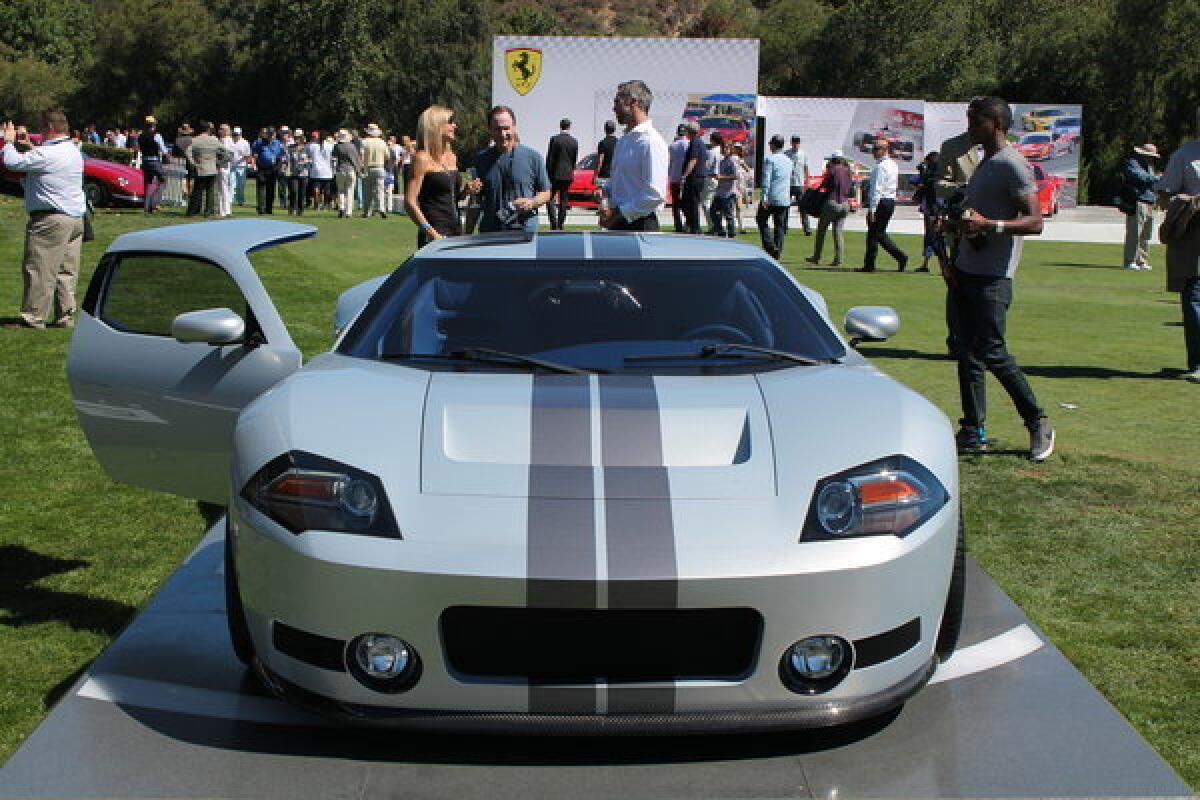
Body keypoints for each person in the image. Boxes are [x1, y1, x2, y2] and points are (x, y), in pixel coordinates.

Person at [950, 96, 1054, 461]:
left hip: (993, 277)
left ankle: (1037, 421)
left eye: (973, 119)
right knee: (965, 351)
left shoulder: (1014, 165)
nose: (969, 125)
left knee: (993, 351)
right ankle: (972, 429)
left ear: (994, 124)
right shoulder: (984, 162)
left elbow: (1036, 221)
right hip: (966, 270)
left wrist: (988, 225)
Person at [2, 112, 86, 329]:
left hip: (51, 219)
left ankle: (33, 317)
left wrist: (8, 141)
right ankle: (64, 316)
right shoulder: (73, 150)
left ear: (49, 127)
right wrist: (30, 147)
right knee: (66, 272)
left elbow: (12, 163)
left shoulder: (49, 154)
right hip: (75, 219)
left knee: (40, 268)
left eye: (41, 127)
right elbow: (46, 160)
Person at [1155, 107, 1200, 384]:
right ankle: (1197, 363)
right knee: (1194, 298)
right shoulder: (1184, 155)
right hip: (1193, 238)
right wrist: (1189, 202)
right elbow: (1163, 195)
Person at [935, 130, 984, 358]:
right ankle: (957, 340)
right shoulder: (953, 146)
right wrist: (962, 190)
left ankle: (984, 341)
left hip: (994, 226)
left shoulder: (1005, 148)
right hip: (961, 226)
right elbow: (939, 184)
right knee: (958, 284)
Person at [599, 80, 668, 231]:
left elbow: (654, 195)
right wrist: (605, 193)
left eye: (617, 102)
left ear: (633, 102)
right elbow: (618, 181)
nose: (614, 108)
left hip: (639, 225)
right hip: (620, 221)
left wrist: (617, 215)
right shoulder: (624, 140)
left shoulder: (651, 142)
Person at [468, 106, 550, 233]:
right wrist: (467, 233)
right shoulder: (481, 159)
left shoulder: (533, 157)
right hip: (490, 232)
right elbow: (475, 201)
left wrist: (531, 202)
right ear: (490, 130)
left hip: (524, 232)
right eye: (497, 129)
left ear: (514, 127)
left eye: (506, 128)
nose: (503, 134)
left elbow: (546, 193)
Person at [406, 105, 464, 246]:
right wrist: (430, 232)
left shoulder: (452, 157)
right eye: (450, 122)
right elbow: (410, 202)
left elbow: (450, 197)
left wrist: (467, 190)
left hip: (456, 232)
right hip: (434, 235)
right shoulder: (422, 158)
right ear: (436, 125)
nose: (454, 125)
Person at [859, 139, 908, 272]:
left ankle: (900, 257)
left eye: (876, 149)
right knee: (875, 233)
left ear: (885, 150)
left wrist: (872, 209)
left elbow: (877, 189)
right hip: (889, 201)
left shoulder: (880, 167)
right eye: (873, 148)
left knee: (877, 233)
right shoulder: (893, 164)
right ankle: (869, 264)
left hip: (882, 201)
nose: (873, 152)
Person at [806, 151, 853, 267]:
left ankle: (816, 256)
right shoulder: (848, 171)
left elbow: (824, 185)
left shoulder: (832, 170)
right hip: (845, 204)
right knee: (838, 231)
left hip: (832, 202)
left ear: (833, 159)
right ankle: (839, 259)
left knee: (821, 230)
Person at [1120, 143, 1160, 270]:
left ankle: (1141, 260)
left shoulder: (1150, 166)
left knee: (1146, 235)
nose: (1150, 158)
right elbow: (1139, 176)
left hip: (1150, 201)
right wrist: (1155, 178)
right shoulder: (1132, 162)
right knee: (1134, 233)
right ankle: (1130, 261)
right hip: (1138, 201)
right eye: (1148, 155)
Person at [756, 134, 792, 258]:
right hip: (784, 197)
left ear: (773, 145)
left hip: (771, 197)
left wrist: (764, 197)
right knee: (780, 226)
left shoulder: (770, 159)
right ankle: (777, 250)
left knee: (761, 219)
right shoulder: (788, 160)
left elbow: (766, 179)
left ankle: (770, 246)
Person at [545, 118, 578, 230]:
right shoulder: (574, 141)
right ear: (569, 127)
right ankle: (560, 224)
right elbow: (573, 159)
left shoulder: (554, 139)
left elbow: (550, 159)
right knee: (564, 200)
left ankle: (553, 223)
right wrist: (571, 171)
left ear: (560, 126)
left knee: (550, 199)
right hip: (567, 174)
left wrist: (548, 173)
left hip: (554, 174)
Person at [913, 151, 942, 272]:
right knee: (930, 237)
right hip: (931, 209)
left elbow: (918, 182)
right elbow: (916, 181)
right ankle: (926, 264)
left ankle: (944, 264)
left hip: (933, 210)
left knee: (934, 237)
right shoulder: (932, 176)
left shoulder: (933, 177)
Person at [185, 121, 221, 217]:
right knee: (210, 191)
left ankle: (193, 211)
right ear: (209, 129)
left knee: (197, 191)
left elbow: (188, 153)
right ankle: (208, 212)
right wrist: (218, 163)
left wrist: (194, 163)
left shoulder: (195, 140)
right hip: (212, 168)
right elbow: (226, 153)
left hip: (201, 168)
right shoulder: (214, 140)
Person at [679, 122, 707, 234]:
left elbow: (693, 160)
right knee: (689, 203)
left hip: (694, 177)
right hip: (698, 177)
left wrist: (684, 176)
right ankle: (693, 225)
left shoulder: (695, 142)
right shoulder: (699, 142)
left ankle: (695, 227)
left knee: (690, 203)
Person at [137, 116, 168, 213]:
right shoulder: (156, 136)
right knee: (163, 180)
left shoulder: (140, 136)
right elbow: (163, 150)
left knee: (148, 184)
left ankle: (146, 207)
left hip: (145, 161)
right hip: (154, 161)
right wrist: (167, 157)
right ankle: (153, 202)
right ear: (153, 125)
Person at [360, 123, 390, 219]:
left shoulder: (364, 142)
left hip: (368, 167)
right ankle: (381, 209)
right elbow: (387, 156)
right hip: (379, 167)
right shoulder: (382, 142)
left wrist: (362, 166)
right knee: (380, 190)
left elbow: (362, 155)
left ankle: (367, 212)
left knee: (367, 191)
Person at [252, 126, 285, 214]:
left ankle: (269, 208)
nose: (271, 136)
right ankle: (261, 209)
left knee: (271, 190)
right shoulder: (259, 142)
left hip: (273, 169)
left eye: (272, 134)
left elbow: (280, 157)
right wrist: (255, 166)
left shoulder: (278, 143)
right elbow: (254, 154)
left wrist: (278, 168)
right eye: (269, 134)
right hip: (261, 168)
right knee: (261, 189)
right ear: (266, 134)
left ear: (274, 134)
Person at [709, 142, 738, 237]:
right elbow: (718, 175)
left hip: (728, 192)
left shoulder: (732, 161)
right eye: (723, 148)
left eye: (727, 148)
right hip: (720, 191)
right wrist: (712, 175)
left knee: (728, 215)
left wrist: (721, 177)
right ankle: (720, 229)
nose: (724, 150)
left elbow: (734, 176)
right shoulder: (721, 161)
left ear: (730, 150)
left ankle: (731, 233)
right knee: (713, 211)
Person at [785, 135, 812, 235]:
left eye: (797, 142)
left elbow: (806, 168)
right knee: (785, 207)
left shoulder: (803, 154)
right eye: (794, 142)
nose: (796, 144)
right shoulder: (786, 154)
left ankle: (807, 228)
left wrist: (807, 181)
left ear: (799, 143)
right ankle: (784, 227)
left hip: (799, 184)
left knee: (803, 207)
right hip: (788, 184)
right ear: (791, 143)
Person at [331, 129, 362, 218]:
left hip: (340, 170)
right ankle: (348, 212)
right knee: (350, 191)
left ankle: (341, 208)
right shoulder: (352, 146)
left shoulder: (337, 146)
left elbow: (333, 157)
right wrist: (359, 170)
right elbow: (356, 160)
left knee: (340, 190)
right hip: (351, 170)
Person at [667, 123, 688, 232]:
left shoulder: (672, 145)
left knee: (675, 204)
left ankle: (678, 225)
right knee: (686, 202)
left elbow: (669, 162)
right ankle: (687, 222)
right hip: (685, 177)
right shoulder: (688, 144)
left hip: (674, 176)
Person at [285, 131, 311, 215]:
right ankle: (292, 208)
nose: (297, 139)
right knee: (294, 190)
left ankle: (300, 209)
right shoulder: (290, 148)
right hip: (293, 173)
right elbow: (287, 160)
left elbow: (310, 160)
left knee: (302, 192)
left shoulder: (307, 148)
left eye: (298, 137)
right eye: (295, 137)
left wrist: (305, 162)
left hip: (304, 173)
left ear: (302, 138)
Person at [308, 130, 334, 211]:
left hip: (316, 171)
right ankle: (325, 204)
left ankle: (317, 204)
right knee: (326, 190)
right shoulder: (330, 146)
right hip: (327, 171)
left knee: (316, 188)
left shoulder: (311, 146)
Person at [216, 123, 236, 218]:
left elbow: (226, 154)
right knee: (225, 189)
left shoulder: (225, 140)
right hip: (226, 167)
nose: (219, 130)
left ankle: (223, 211)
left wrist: (218, 162)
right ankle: (226, 209)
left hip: (222, 166)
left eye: (221, 129)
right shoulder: (229, 140)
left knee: (222, 189)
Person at [595, 119, 619, 195]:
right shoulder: (619, 142)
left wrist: (596, 174)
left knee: (604, 198)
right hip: (616, 175)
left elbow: (600, 160)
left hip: (604, 175)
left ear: (605, 130)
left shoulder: (602, 143)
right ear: (614, 130)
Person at [231, 126, 252, 206]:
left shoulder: (245, 143)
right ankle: (230, 201)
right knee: (231, 184)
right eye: (235, 134)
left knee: (240, 186)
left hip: (241, 167)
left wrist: (243, 155)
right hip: (231, 166)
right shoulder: (230, 142)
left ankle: (240, 201)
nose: (236, 136)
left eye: (237, 134)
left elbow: (249, 155)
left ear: (240, 134)